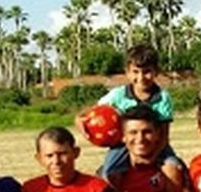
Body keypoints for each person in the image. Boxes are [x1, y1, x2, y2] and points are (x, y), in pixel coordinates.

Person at [75, 43, 179, 181]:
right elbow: (91, 112)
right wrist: (79, 119)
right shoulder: (118, 95)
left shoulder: (163, 98)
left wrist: (150, 158)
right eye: (135, 72)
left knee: (175, 169)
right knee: (108, 175)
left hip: (155, 145)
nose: (141, 77)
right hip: (123, 145)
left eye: (147, 71)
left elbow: (164, 137)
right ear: (127, 72)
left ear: (156, 72)